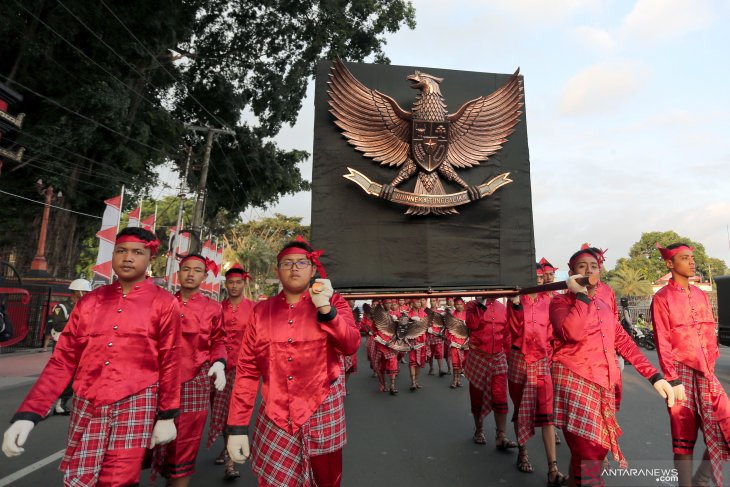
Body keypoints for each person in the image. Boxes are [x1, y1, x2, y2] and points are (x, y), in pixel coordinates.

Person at [2, 227, 181, 486]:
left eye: (137, 252)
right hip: (88, 401)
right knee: (79, 480)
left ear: (150, 258)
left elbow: (170, 361)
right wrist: (28, 414)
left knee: (118, 479)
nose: (128, 258)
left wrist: (167, 416)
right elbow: (62, 361)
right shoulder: (90, 302)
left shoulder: (164, 303)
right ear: (113, 255)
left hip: (137, 400)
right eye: (121, 251)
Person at [226, 237, 360, 487]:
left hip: (322, 408)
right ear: (277, 271)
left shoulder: (334, 302)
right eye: (287, 263)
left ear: (312, 269)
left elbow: (350, 344)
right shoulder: (260, 311)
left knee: (326, 480)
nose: (294, 268)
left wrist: (326, 310)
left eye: (301, 262)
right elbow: (246, 370)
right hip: (275, 412)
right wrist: (237, 426)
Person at [550, 246, 674, 487]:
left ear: (601, 271)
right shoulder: (559, 302)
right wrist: (581, 296)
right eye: (582, 267)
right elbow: (572, 333)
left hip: (605, 382)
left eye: (594, 266)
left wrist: (654, 376)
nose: (589, 270)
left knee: (591, 452)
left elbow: (625, 343)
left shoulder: (605, 306)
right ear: (572, 273)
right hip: (575, 380)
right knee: (589, 452)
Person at [651, 243, 730, 487]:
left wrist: (711, 367)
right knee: (684, 437)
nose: (692, 262)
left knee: (725, 426)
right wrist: (671, 378)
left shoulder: (701, 295)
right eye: (685, 258)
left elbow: (710, 333)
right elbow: (662, 340)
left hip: (706, 372)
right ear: (670, 264)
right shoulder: (661, 298)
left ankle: (702, 478)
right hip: (679, 372)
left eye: (692, 258)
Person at [150, 253, 227, 486]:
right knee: (148, 438)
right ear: (178, 272)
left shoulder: (213, 308)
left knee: (185, 442)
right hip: (158, 379)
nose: (191, 273)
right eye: (186, 269)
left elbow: (219, 341)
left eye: (197, 270)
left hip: (195, 380)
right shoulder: (161, 303)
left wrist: (219, 363)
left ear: (204, 276)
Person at [507, 263, 566, 485]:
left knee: (547, 414)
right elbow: (513, 329)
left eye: (541, 277)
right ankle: (523, 452)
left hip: (541, 360)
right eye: (534, 277)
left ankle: (553, 468)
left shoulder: (550, 301)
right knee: (520, 408)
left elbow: (554, 332)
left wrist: (551, 357)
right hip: (518, 360)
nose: (538, 280)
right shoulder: (515, 300)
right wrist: (514, 306)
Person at [207, 264, 255, 480]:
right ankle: (227, 448)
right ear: (225, 284)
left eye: (238, 282)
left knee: (236, 413)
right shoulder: (216, 308)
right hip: (219, 368)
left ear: (244, 283)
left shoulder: (254, 308)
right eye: (230, 282)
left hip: (244, 369)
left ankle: (231, 462)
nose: (234, 286)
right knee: (220, 412)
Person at [464, 295, 516, 448]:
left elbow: (506, 335)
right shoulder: (472, 305)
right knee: (477, 395)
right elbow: (471, 324)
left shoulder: (502, 308)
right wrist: (481, 304)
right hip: (478, 356)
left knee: (500, 396)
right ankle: (479, 430)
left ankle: (501, 436)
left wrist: (507, 358)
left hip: (498, 356)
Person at [46, 278, 92, 415]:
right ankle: (45, 406)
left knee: (73, 378)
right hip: (62, 345)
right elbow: (58, 325)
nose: (87, 294)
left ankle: (61, 404)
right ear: (76, 291)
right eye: (84, 291)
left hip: (78, 346)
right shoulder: (62, 307)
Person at [445, 297, 468, 388]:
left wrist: (467, 342)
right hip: (454, 341)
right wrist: (451, 341)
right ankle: (455, 380)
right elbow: (448, 329)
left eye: (460, 304)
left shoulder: (467, 315)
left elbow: (470, 329)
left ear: (463, 305)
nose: (459, 306)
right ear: (454, 305)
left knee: (462, 362)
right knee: (455, 362)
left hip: (465, 342)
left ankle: (459, 380)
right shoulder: (452, 315)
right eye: (457, 304)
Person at [407, 299, 427, 391]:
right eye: (417, 302)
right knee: (412, 361)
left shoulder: (423, 312)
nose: (419, 303)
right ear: (412, 303)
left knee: (420, 361)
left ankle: (416, 381)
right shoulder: (408, 314)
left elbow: (426, 324)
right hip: (413, 339)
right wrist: (411, 319)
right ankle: (413, 382)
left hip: (422, 339)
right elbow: (405, 327)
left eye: (420, 302)